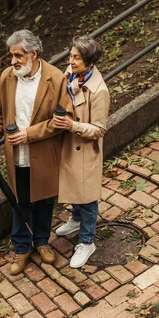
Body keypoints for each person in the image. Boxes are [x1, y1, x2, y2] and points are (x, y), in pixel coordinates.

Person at [0, 30, 72, 275]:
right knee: (19, 201)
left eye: (18, 55)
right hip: (16, 156)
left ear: (33, 54)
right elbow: (0, 116)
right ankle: (21, 248)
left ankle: (42, 242)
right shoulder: (7, 78)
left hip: (43, 155)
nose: (13, 61)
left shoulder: (55, 78)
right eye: (11, 56)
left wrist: (29, 134)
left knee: (43, 201)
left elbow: (64, 119)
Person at [52, 35, 110, 269]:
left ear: (89, 61)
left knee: (86, 196)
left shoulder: (99, 91)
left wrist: (72, 126)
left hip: (85, 148)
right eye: (71, 54)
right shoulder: (71, 76)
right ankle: (75, 220)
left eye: (76, 57)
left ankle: (87, 242)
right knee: (73, 185)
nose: (70, 60)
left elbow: (99, 129)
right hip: (69, 145)